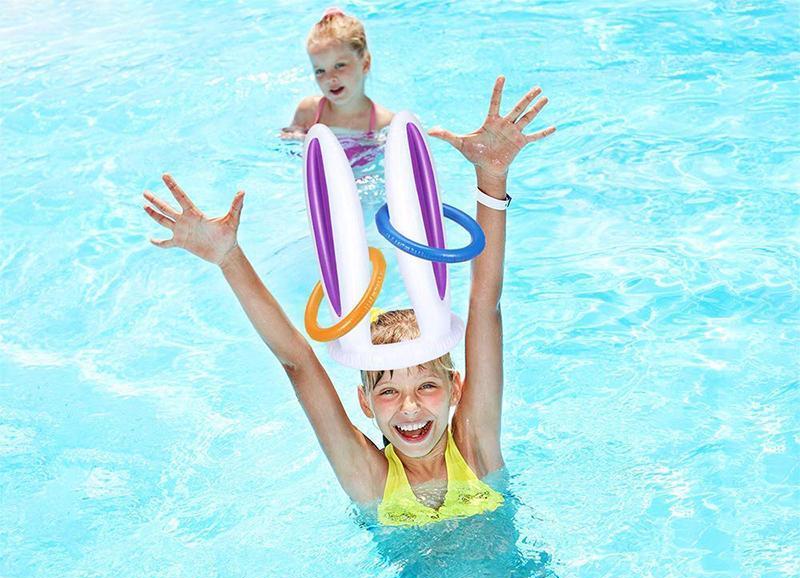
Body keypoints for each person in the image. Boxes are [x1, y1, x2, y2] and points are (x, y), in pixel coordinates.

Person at [143, 76, 555, 525]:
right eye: (388, 391)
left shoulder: (475, 446)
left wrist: (492, 176)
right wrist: (229, 258)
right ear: (364, 403)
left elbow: (485, 303)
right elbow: (298, 363)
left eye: (428, 386)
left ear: (457, 389)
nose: (410, 407)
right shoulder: (370, 480)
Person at [280, 7, 394, 167]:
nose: (330, 78)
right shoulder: (309, 112)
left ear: (365, 64)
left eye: (339, 65)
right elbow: (289, 151)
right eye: (320, 70)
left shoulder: (384, 123)